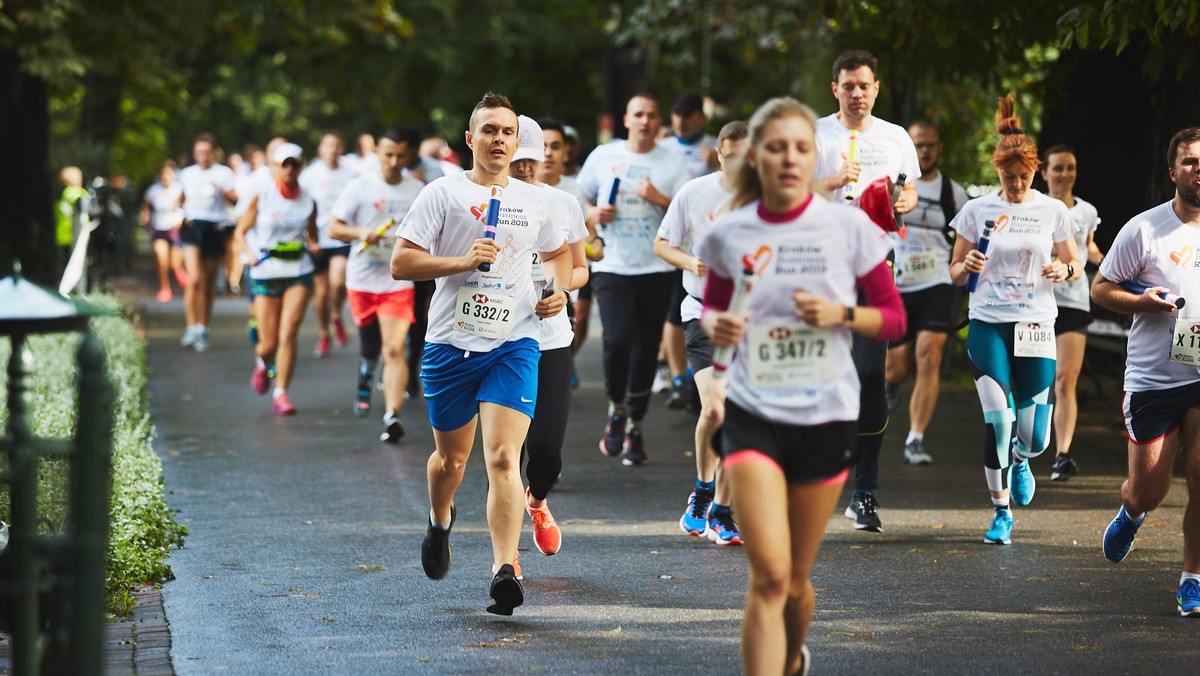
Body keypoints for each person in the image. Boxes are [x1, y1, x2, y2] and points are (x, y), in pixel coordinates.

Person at [698, 96, 904, 676]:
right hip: (753, 411)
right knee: (766, 577)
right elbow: (712, 313)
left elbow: (891, 318)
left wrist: (839, 316)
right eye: (776, 147)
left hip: (825, 414)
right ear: (756, 158)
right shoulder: (729, 232)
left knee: (793, 582)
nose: (789, 158)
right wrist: (719, 328)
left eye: (800, 148)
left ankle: (791, 654)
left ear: (814, 157)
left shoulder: (848, 227)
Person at [392, 92, 571, 616]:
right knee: (452, 461)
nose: (498, 139)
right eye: (488, 130)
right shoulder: (441, 194)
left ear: (517, 143)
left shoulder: (535, 201)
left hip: (513, 343)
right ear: (470, 140)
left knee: (502, 457)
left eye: (507, 132)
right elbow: (402, 264)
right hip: (450, 343)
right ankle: (440, 519)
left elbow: (557, 258)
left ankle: (504, 570)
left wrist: (558, 293)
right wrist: (461, 260)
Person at [948, 94, 1080, 545]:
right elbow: (953, 270)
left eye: (1024, 177)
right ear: (997, 172)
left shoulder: (1053, 210)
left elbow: (1075, 263)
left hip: (1037, 325)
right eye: (1009, 177)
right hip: (988, 323)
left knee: (1034, 437)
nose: (1017, 185)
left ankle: (1022, 459)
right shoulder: (977, 210)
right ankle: (1001, 511)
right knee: (998, 421)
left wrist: (1064, 270)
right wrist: (963, 268)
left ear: (1036, 171)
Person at [1093, 127, 1200, 616]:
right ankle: (1132, 510)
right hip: (1155, 379)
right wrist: (1141, 301)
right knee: (1150, 490)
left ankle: (1192, 577)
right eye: (1191, 162)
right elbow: (1101, 288)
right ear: (1173, 171)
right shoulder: (1145, 229)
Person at [813, 49, 919, 532]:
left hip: (877, 263)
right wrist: (834, 180)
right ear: (834, 88)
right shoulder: (816, 134)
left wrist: (899, 200)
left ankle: (865, 490)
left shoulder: (896, 137)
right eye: (848, 85)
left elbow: (911, 195)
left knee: (871, 375)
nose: (858, 93)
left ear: (877, 88)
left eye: (865, 85)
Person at [576, 93, 690, 465]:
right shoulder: (603, 156)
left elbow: (688, 218)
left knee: (645, 347)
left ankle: (636, 424)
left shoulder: (672, 164)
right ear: (626, 119)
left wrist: (658, 197)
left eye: (651, 115)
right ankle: (616, 408)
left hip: (656, 267)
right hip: (612, 264)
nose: (645, 121)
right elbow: (578, 202)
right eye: (638, 114)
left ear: (660, 122)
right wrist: (595, 212)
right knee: (617, 338)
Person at [655, 120, 749, 546]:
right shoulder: (695, 193)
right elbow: (663, 243)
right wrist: (691, 264)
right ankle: (703, 491)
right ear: (719, 155)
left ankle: (724, 513)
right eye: (731, 158)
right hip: (703, 314)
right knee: (715, 411)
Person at [508, 115, 590, 564]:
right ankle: (506, 559)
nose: (523, 170)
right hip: (499, 340)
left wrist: (562, 291)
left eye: (531, 162)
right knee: (504, 458)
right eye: (517, 161)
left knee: (546, 456)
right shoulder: (488, 201)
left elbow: (580, 268)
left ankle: (537, 500)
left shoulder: (563, 203)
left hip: (551, 338)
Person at [328, 126, 425, 442]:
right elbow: (333, 228)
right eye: (388, 155)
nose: (394, 162)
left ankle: (391, 415)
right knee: (370, 346)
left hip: (398, 282)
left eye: (400, 155)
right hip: (362, 279)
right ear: (378, 154)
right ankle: (367, 368)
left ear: (408, 155)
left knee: (395, 348)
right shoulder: (359, 187)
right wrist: (360, 233)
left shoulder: (417, 190)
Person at [883, 120, 970, 466]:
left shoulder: (953, 191)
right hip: (896, 281)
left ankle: (915, 438)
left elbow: (969, 234)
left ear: (939, 148)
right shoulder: (891, 184)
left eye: (930, 145)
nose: (924, 151)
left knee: (929, 356)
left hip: (936, 280)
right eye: (918, 145)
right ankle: (891, 385)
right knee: (896, 366)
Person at [232, 142, 319, 416]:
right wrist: (248, 254)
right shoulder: (263, 196)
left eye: (294, 163)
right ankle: (262, 363)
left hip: (298, 271)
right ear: (275, 167)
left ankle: (281, 393)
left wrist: (315, 245)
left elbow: (313, 235)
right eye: (285, 164)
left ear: (301, 166)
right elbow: (240, 232)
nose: (290, 169)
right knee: (268, 342)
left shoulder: (308, 200)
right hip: (266, 271)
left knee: (288, 333)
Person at [1041, 145, 1105, 481]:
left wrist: (1102, 259)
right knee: (1035, 382)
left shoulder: (1087, 211)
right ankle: (1020, 442)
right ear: (1045, 173)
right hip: (1035, 303)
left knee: (1065, 381)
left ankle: (1062, 455)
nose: (1064, 174)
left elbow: (1087, 246)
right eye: (1058, 168)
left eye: (1070, 167)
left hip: (1073, 302)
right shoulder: (1034, 207)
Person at [537, 116, 603, 387]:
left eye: (555, 146)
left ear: (566, 151)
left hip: (562, 290)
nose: (548, 153)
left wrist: (596, 247)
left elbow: (591, 236)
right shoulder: (512, 187)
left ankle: (565, 363)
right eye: (542, 146)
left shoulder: (573, 193)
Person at [178, 133, 239, 353]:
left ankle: (203, 327)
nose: (203, 156)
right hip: (192, 228)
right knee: (193, 279)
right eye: (199, 152)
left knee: (207, 283)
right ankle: (190, 326)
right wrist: (180, 213)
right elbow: (180, 198)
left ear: (214, 153)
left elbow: (236, 200)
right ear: (195, 154)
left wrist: (222, 191)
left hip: (214, 229)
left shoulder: (223, 173)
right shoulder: (186, 174)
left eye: (207, 152)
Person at [300, 131, 359, 358]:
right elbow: (301, 206)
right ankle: (324, 334)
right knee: (321, 293)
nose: (333, 150)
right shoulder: (310, 174)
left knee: (336, 283)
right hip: (317, 239)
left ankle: (336, 316)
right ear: (320, 150)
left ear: (341, 149)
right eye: (328, 146)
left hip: (341, 237)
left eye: (336, 146)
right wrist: (308, 237)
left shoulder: (351, 174)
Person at [141, 161, 186, 303]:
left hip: (174, 229)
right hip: (159, 228)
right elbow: (145, 207)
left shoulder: (179, 189)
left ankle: (179, 271)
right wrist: (146, 219)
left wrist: (181, 219)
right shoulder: (153, 190)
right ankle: (165, 288)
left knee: (174, 262)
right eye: (163, 176)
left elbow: (187, 206)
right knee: (162, 261)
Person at [56, 166, 88, 273]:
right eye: (80, 178)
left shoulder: (60, 194)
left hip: (61, 234)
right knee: (76, 264)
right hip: (76, 234)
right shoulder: (78, 192)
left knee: (63, 264)